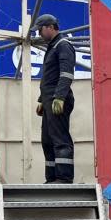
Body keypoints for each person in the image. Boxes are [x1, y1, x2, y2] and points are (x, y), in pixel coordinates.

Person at [34, 14, 76, 183]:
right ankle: (52, 178)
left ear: (50, 27)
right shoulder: (52, 47)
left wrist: (59, 97)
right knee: (47, 140)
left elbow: (66, 74)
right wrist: (41, 100)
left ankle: (64, 178)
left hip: (59, 100)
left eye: (40, 29)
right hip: (49, 100)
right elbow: (50, 77)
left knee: (60, 139)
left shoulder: (63, 45)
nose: (39, 34)